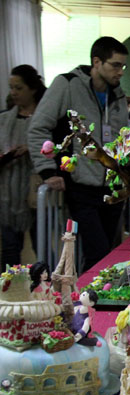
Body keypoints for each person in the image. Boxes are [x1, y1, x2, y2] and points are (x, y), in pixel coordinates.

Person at [28, 36, 129, 271]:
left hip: (113, 187)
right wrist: (47, 171)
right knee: (97, 252)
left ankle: (92, 291)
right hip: (81, 186)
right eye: (115, 65)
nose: (120, 72)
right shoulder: (68, 84)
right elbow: (38, 128)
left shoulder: (117, 94)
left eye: (123, 67)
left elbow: (123, 136)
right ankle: (88, 293)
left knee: (105, 253)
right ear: (97, 62)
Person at [0, 65, 46, 268]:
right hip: (8, 194)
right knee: (10, 248)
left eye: (18, 88)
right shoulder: (4, 120)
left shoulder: (45, 120)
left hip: (36, 189)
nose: (13, 93)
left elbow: (54, 149)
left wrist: (31, 149)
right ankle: (10, 284)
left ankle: (45, 282)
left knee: (42, 245)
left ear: (32, 89)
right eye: (11, 88)